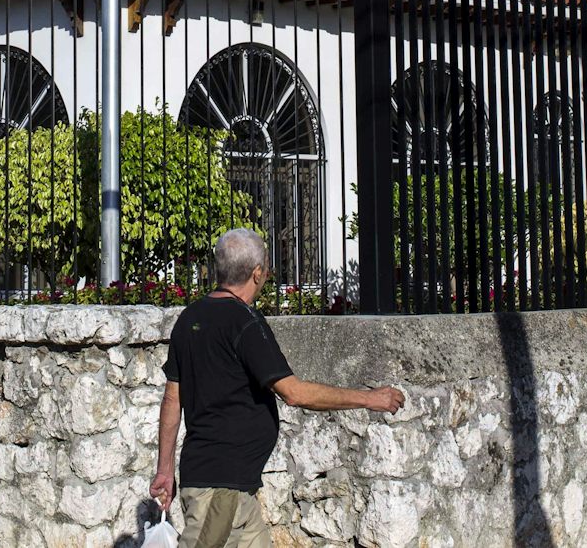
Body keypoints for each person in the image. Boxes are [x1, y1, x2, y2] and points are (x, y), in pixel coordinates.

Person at [149, 228, 406, 548]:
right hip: (220, 488)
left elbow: (173, 397)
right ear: (257, 273)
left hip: (234, 489)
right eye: (267, 269)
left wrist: (164, 469)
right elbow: (293, 392)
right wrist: (369, 399)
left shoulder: (189, 318)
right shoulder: (244, 321)